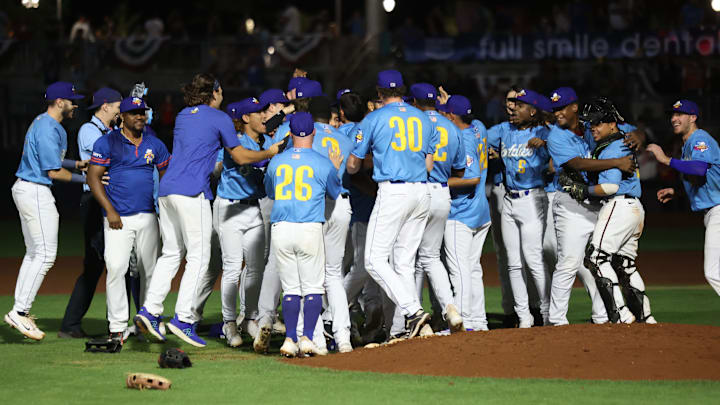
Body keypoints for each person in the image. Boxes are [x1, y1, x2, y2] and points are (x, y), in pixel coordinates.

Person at [134, 74, 280, 348]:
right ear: (213, 92)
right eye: (220, 90)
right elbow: (238, 156)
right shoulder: (219, 117)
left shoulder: (182, 115)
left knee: (172, 253)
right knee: (199, 258)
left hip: (167, 191)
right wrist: (268, 153)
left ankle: (150, 311)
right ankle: (184, 319)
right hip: (192, 193)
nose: (223, 95)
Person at [346, 70, 433, 340]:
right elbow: (429, 165)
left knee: (373, 259)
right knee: (404, 264)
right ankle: (401, 329)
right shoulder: (423, 117)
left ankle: (414, 312)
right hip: (422, 190)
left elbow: (352, 166)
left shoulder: (374, 118)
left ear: (380, 92)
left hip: (394, 190)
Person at [546, 87, 638, 326]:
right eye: (554, 109)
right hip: (571, 205)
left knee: (596, 263)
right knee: (568, 262)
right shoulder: (556, 135)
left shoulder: (592, 124)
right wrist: (617, 161)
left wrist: (641, 135)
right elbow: (577, 163)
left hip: (599, 203)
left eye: (561, 108)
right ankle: (556, 321)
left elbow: (629, 130)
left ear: (574, 107)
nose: (557, 113)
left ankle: (601, 316)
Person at [5, 81, 86, 340]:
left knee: (34, 254)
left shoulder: (42, 122)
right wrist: (87, 179)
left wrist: (76, 163)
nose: (75, 105)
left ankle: (20, 311)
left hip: (26, 188)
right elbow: (52, 171)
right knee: (46, 255)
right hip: (35, 191)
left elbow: (49, 159)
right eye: (72, 101)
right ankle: (20, 312)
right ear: (60, 102)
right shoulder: (49, 127)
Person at [562, 97, 655, 324]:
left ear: (612, 124)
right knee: (624, 264)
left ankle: (621, 315)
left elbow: (611, 186)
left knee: (596, 258)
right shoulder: (621, 138)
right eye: (590, 123)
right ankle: (646, 316)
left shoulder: (612, 147)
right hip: (635, 208)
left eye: (597, 123)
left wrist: (583, 190)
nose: (593, 127)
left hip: (619, 205)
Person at [86, 97, 170, 345]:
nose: (139, 117)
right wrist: (110, 211)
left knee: (150, 271)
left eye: (142, 112)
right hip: (118, 218)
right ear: (122, 116)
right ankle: (117, 326)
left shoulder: (154, 143)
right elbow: (93, 178)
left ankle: (149, 319)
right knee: (116, 268)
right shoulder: (107, 141)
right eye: (133, 113)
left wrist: (164, 209)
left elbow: (166, 175)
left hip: (147, 215)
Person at [264, 112, 343, 357]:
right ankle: (307, 338)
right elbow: (334, 193)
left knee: (290, 289)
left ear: (290, 135)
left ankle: (289, 339)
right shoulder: (322, 162)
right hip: (309, 227)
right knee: (312, 288)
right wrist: (336, 168)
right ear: (313, 133)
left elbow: (271, 192)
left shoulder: (277, 161)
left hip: (282, 227)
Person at [58, 87, 122, 339]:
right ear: (105, 106)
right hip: (95, 200)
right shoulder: (89, 130)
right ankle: (79, 324)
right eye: (118, 106)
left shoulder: (110, 131)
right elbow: (107, 154)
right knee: (99, 264)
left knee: (108, 265)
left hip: (109, 199)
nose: (120, 111)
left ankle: (75, 325)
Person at [487, 88, 551, 327]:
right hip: (509, 199)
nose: (513, 108)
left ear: (532, 111)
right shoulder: (504, 130)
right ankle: (523, 316)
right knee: (513, 262)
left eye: (519, 105)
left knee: (533, 259)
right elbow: (478, 136)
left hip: (533, 198)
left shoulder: (543, 131)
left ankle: (546, 314)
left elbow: (567, 139)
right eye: (512, 104)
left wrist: (545, 142)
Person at [646, 99, 720, 296]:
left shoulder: (700, 139)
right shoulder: (688, 144)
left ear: (693, 117)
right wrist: (677, 191)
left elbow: (699, 168)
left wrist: (665, 159)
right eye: (673, 115)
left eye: (680, 114)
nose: (674, 118)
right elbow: (699, 176)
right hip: (713, 211)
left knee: (713, 272)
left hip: (718, 211)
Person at [213, 97, 271, 347]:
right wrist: (272, 154)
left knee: (257, 268)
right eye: (259, 113)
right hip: (230, 208)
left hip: (253, 208)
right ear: (246, 118)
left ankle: (250, 317)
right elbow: (244, 159)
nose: (264, 117)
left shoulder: (267, 141)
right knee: (233, 267)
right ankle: (229, 323)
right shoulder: (233, 140)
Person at [407, 83, 464, 334]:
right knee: (430, 257)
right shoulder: (451, 127)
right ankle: (450, 307)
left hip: (418, 192)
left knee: (407, 258)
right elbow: (460, 170)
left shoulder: (414, 124)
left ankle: (416, 318)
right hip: (442, 193)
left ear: (416, 102)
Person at [308, 96, 355, 352]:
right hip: (341, 204)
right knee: (334, 275)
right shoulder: (343, 138)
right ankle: (344, 338)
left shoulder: (306, 138)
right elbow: (354, 168)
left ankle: (318, 340)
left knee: (314, 276)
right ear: (330, 115)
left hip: (316, 206)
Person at [442, 95, 493, 331]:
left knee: (460, 270)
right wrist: (452, 100)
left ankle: (461, 322)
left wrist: (441, 182)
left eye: (445, 113)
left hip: (462, 213)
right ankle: (478, 321)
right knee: (472, 269)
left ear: (452, 116)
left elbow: (471, 178)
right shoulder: (478, 127)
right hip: (481, 210)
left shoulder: (462, 137)